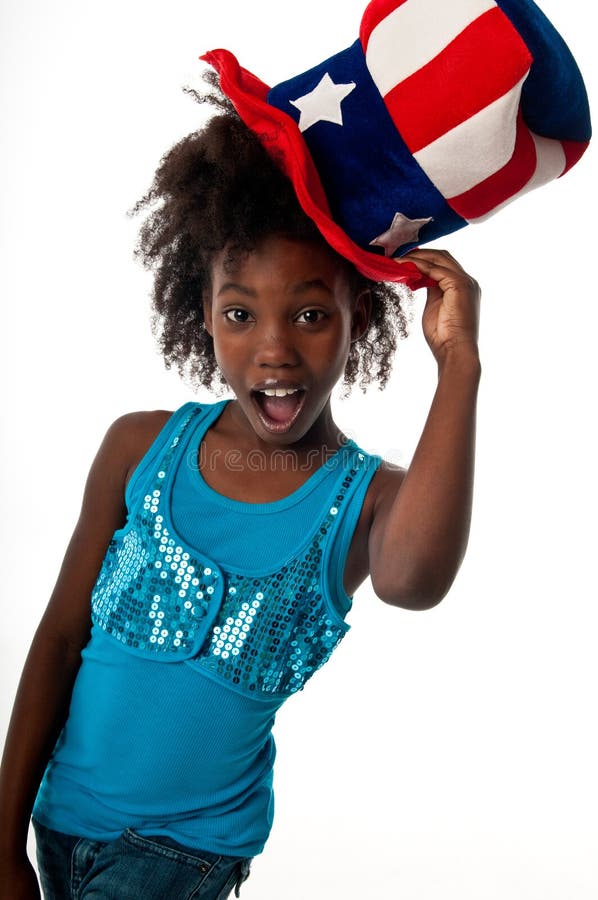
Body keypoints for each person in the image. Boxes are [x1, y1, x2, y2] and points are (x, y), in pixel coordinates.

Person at [0, 76, 481, 899]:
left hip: (178, 860)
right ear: (203, 313)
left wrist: (459, 370)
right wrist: (4, 845)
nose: (273, 352)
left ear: (357, 317)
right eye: (239, 314)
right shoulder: (139, 447)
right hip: (57, 821)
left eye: (308, 314)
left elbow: (415, 581)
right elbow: (55, 640)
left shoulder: (361, 503)